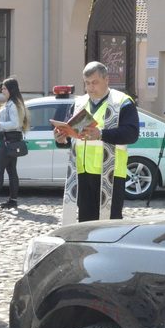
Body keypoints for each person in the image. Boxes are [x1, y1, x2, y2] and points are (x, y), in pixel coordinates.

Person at [54, 61, 139, 223]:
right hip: (82, 172)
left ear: (106, 80)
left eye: (94, 82)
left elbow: (132, 134)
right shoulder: (79, 103)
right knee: (86, 223)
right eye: (87, 83)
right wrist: (62, 138)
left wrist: (101, 134)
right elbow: (71, 135)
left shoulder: (123, 102)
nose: (90, 87)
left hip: (111, 174)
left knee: (109, 224)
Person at [0, 77, 30, 210]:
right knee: (12, 171)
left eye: (4, 88)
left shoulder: (13, 104)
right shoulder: (13, 103)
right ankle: (13, 200)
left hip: (7, 141)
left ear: (11, 89)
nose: (2, 90)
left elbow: (15, 123)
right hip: (11, 140)